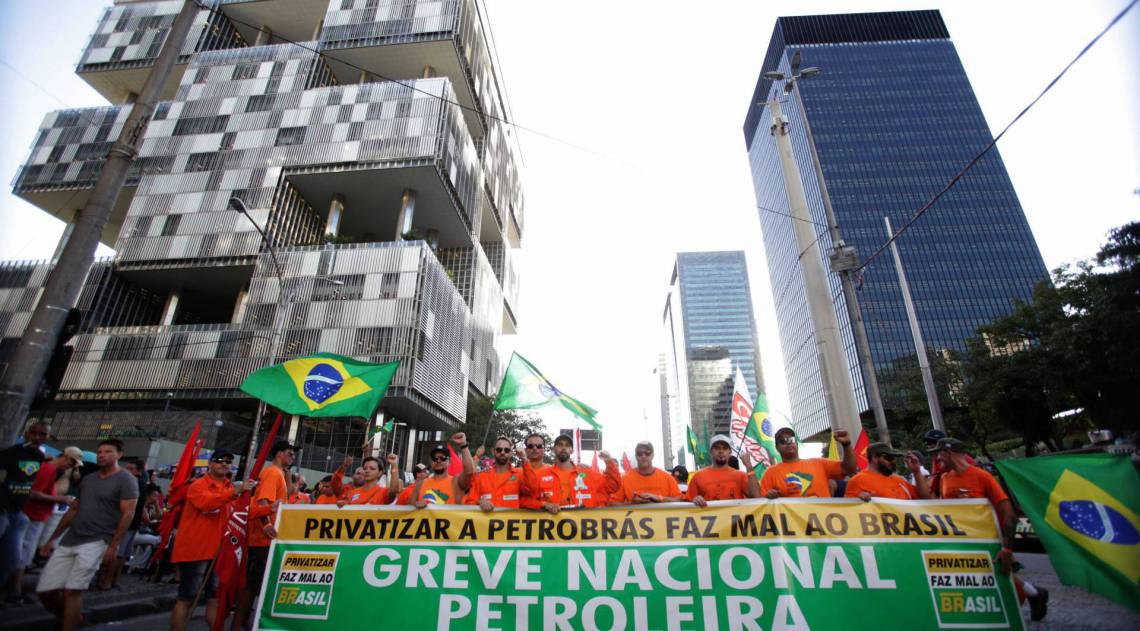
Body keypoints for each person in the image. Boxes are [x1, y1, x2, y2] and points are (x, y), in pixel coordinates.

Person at [930, 437, 1048, 621]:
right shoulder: (944, 479)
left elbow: (1008, 513)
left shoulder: (982, 477)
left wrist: (1007, 548)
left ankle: (1029, 596)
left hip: (987, 538)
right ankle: (1031, 594)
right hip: (961, 540)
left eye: (939, 454)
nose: (937, 459)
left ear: (950, 453)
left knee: (995, 574)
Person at [36, 439, 138, 631]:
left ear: (119, 455)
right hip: (71, 538)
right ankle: (71, 617)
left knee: (72, 590)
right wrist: (52, 538)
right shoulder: (89, 479)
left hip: (98, 539)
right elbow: (74, 510)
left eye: (108, 451)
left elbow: (128, 513)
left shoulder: (126, 479)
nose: (102, 455)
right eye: (99, 451)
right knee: (45, 591)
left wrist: (114, 544)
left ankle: (69, 625)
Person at [169, 450, 249, 631]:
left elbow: (240, 513)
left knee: (215, 598)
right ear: (210, 464)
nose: (224, 463)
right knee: (187, 597)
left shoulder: (229, 488)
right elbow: (207, 503)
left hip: (218, 552)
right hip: (196, 550)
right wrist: (235, 492)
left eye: (228, 461)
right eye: (220, 460)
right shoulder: (197, 486)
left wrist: (271, 508)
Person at [233, 440, 294, 631]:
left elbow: (289, 494)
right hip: (262, 538)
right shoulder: (272, 473)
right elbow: (263, 501)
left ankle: (243, 622)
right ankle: (238, 624)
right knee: (252, 584)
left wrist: (289, 472)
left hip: (270, 537)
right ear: (278, 454)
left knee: (258, 583)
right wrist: (266, 523)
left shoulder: (280, 473)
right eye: (289, 453)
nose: (292, 457)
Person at [12, 447, 81, 602]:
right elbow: (33, 493)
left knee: (25, 552)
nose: (70, 466)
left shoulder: (51, 469)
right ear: (65, 456)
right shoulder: (48, 469)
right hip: (33, 514)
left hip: (36, 515)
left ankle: (15, 590)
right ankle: (14, 590)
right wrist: (60, 499)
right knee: (24, 553)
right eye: (71, 462)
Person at [0, 421, 49, 602]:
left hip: (18, 513)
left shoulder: (38, 456)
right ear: (27, 433)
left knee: (12, 560)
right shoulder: (11, 453)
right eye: (34, 432)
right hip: (3, 510)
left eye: (42, 434)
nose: (37, 437)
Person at [522, 433, 621, 513]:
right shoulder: (541, 475)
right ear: (554, 450)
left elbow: (612, 486)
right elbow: (525, 501)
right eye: (560, 445)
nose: (563, 448)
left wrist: (609, 461)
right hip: (553, 532)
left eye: (567, 445)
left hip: (583, 532)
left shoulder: (587, 473)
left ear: (571, 450)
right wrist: (544, 505)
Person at [760, 428, 855, 498]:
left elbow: (849, 469)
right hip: (793, 524)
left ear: (796, 444)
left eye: (791, 440)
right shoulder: (770, 473)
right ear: (777, 447)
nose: (788, 443)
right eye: (783, 441)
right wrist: (768, 496)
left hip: (823, 521)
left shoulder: (819, 463)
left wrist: (846, 445)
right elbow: (759, 501)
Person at [98, 457, 146, 590]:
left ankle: (108, 581)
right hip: (131, 522)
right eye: (128, 468)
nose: (128, 471)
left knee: (118, 553)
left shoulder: (134, 484)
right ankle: (114, 580)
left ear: (139, 472)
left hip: (127, 522)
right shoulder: (140, 484)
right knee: (122, 553)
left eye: (132, 469)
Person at [687, 435, 760, 506]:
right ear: (711, 451)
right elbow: (686, 503)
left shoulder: (741, 476)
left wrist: (749, 466)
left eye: (724, 448)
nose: (721, 451)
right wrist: (695, 500)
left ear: (730, 452)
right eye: (717, 448)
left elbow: (757, 496)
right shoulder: (698, 477)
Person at [844, 442, 930, 500]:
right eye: (889, 458)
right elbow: (849, 510)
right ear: (874, 457)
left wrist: (917, 472)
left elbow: (925, 498)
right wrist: (859, 499)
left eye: (894, 458)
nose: (892, 462)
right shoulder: (857, 480)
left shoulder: (899, 480)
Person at [407, 433, 473, 507]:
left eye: (443, 458)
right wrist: (417, 506)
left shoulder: (456, 482)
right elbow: (409, 510)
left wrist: (463, 445)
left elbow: (469, 472)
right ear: (431, 462)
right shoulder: (420, 484)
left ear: (450, 461)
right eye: (435, 458)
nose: (438, 460)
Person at [612, 441, 682, 504]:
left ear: (652, 455)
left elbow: (680, 500)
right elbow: (612, 504)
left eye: (647, 453)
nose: (643, 456)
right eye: (640, 453)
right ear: (636, 456)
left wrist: (659, 498)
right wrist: (632, 503)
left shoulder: (667, 478)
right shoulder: (625, 479)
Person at [469, 437, 524, 511]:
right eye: (499, 449)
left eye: (506, 450)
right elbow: (470, 502)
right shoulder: (481, 476)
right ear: (493, 451)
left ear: (511, 453)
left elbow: (531, 492)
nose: (502, 452)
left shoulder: (520, 474)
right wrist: (479, 502)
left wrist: (524, 458)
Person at [923, 429, 974, 497]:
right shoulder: (936, 459)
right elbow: (933, 485)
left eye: (931, 442)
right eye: (927, 443)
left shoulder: (964, 460)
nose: (928, 446)